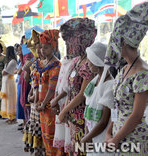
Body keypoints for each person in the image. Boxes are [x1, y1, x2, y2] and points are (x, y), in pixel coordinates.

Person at [104, 3, 148, 155]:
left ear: (122, 42)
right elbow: (118, 107)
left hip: (133, 140)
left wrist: (115, 139)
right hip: (119, 136)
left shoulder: (142, 73)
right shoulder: (124, 69)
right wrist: (109, 133)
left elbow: (136, 115)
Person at [57, 18, 97, 155]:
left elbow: (81, 95)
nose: (68, 45)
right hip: (73, 115)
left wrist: (64, 111)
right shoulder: (77, 60)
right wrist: (67, 110)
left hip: (83, 118)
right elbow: (71, 90)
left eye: (70, 40)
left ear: (81, 40)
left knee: (82, 150)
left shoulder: (89, 63)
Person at [36, 29, 66, 156]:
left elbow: (51, 89)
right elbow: (38, 84)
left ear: (53, 48)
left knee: (52, 135)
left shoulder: (57, 65)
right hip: (41, 105)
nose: (43, 50)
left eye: (46, 47)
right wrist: (38, 101)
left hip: (50, 106)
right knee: (44, 135)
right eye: (42, 47)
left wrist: (43, 103)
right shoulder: (42, 63)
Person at [81, 42, 114, 156]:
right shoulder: (95, 81)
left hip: (101, 138)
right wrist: (87, 134)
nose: (87, 63)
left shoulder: (109, 85)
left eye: (89, 60)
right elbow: (88, 108)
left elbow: (104, 121)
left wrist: (87, 137)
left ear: (97, 62)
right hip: (92, 135)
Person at [0, 46, 17, 124]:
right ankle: (9, 116)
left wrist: (3, 71)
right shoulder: (9, 61)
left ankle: (13, 117)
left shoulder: (12, 61)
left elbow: (4, 72)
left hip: (9, 82)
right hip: (7, 81)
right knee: (7, 99)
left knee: (10, 99)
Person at [14, 43, 25, 130]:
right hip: (20, 81)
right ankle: (24, 123)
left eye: (20, 50)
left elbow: (19, 71)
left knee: (24, 102)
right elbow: (17, 70)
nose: (19, 52)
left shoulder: (27, 59)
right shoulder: (20, 60)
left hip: (25, 82)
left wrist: (18, 70)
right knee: (20, 102)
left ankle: (26, 124)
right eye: (18, 50)